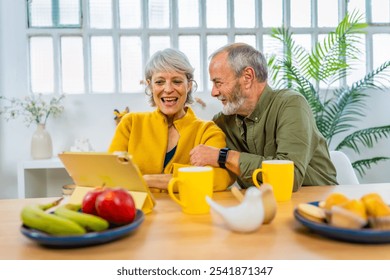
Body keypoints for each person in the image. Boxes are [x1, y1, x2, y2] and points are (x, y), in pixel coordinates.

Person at [189, 43, 337, 192]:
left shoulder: (291, 104)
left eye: (218, 83)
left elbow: (290, 176)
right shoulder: (222, 122)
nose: (214, 92)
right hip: (261, 207)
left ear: (247, 77)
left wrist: (224, 157)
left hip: (316, 202)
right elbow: (205, 169)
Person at [108, 48, 235, 192]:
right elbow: (111, 173)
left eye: (176, 81)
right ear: (150, 86)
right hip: (139, 212)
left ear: (189, 85)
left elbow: (219, 178)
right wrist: (188, 177)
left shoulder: (208, 131)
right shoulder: (130, 123)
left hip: (187, 212)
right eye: (160, 82)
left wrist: (147, 180)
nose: (168, 89)